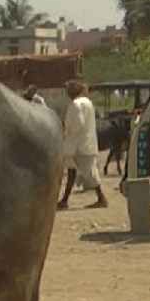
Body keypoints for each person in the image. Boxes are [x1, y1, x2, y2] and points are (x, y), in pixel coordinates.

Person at [59, 79, 107, 210]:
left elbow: (78, 123)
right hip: (86, 143)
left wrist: (66, 127)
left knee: (90, 173)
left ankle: (102, 198)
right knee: (71, 171)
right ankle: (64, 200)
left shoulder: (75, 104)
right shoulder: (88, 102)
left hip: (79, 145)